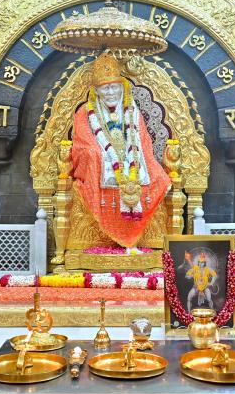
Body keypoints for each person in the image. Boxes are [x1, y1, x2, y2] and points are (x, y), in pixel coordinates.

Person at [70, 52, 171, 248]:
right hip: (101, 163)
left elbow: (143, 140)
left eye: (114, 87)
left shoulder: (132, 111)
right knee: (92, 154)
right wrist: (102, 155)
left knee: (159, 179)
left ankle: (146, 236)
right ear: (96, 91)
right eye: (105, 88)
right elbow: (82, 143)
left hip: (133, 161)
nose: (111, 93)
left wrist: (134, 159)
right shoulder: (85, 112)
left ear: (122, 87)